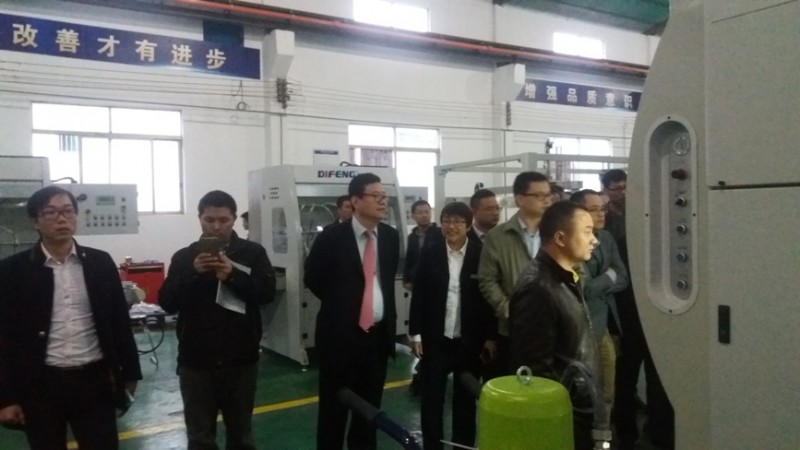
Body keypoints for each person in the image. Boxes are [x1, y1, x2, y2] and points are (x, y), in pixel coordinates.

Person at [0, 185, 142, 450]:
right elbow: (5, 337)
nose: (61, 219)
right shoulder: (13, 271)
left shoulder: (100, 263)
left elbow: (119, 323)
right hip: (40, 385)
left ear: (76, 216)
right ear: (35, 221)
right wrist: (6, 398)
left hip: (94, 382)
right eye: (51, 213)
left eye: (67, 211)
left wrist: (130, 374)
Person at [159, 190, 276, 450]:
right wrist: (193, 272)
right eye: (209, 219)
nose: (216, 226)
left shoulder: (253, 253)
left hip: (241, 358)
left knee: (241, 435)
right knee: (200, 437)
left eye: (223, 220)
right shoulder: (184, 257)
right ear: (199, 219)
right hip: (196, 360)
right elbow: (167, 302)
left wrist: (234, 275)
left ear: (234, 219)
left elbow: (266, 294)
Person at [304, 173, 400, 450]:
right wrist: (343, 305)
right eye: (375, 196)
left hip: (377, 340)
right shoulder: (332, 238)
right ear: (355, 201)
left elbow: (385, 279)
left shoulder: (390, 237)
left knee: (369, 414)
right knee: (333, 413)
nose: (382, 202)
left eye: (384, 196)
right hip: (340, 340)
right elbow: (313, 278)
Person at [508, 200, 600, 450]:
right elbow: (535, 370)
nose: (594, 240)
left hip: (577, 409)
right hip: (563, 418)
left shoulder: (566, 278)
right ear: (560, 238)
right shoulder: (538, 288)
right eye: (587, 232)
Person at [408, 202, 496, 450]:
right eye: (447, 220)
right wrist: (415, 333)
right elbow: (419, 294)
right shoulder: (431, 252)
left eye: (458, 221)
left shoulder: (481, 254)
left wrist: (490, 336)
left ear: (468, 226)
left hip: (469, 342)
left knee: (465, 401)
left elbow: (488, 299)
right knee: (432, 400)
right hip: (436, 340)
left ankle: (462, 446)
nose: (451, 226)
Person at [600, 170, 675, 450]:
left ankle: (659, 433)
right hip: (625, 315)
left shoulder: (649, 224)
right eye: (616, 188)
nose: (623, 192)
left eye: (626, 187)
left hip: (654, 312)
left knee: (658, 377)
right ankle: (627, 434)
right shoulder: (608, 233)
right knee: (625, 378)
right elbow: (613, 278)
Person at [478, 171, 551, 379]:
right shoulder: (498, 237)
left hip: (553, 326)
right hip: (514, 329)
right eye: (539, 195)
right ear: (520, 199)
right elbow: (487, 280)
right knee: (518, 382)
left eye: (548, 195)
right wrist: (507, 308)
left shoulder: (558, 233)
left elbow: (578, 272)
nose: (546, 200)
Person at [570, 189, 629, 413]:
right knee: (583, 387)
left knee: (608, 388)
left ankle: (603, 429)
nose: (601, 214)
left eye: (602, 208)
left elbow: (623, 277)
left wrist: (603, 281)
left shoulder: (606, 238)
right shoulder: (570, 240)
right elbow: (585, 289)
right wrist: (609, 276)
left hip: (603, 324)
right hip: (580, 326)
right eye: (594, 209)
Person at [403, 199, 441, 291]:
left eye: (427, 212)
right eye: (420, 213)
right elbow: (409, 260)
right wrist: (407, 280)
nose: (424, 215)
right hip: (417, 283)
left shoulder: (440, 234)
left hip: (437, 282)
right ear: (413, 216)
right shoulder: (411, 237)